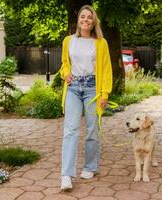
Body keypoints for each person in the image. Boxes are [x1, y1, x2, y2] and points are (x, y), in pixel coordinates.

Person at [59, 5, 113, 191]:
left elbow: (106, 69)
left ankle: (90, 166)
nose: (86, 20)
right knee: (70, 130)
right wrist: (65, 73)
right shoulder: (68, 41)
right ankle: (66, 175)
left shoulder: (101, 43)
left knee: (92, 130)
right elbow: (65, 63)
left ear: (93, 21)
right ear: (78, 20)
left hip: (92, 89)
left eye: (89, 17)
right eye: (83, 16)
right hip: (73, 88)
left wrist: (104, 93)